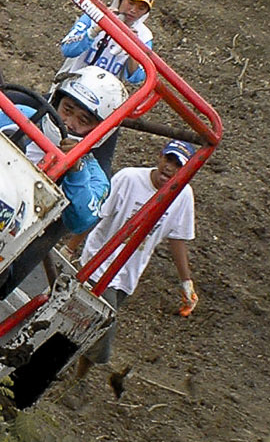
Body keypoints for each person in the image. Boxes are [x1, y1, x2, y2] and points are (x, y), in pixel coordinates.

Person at [0, 67, 124, 299]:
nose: (69, 123)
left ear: (98, 131)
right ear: (57, 101)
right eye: (67, 110)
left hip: (4, 248)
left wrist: (75, 170)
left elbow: (81, 221)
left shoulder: (93, 176)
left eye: (83, 120)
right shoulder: (18, 115)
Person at [71, 140, 198, 383]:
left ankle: (76, 375)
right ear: (159, 156)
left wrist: (186, 282)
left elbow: (177, 238)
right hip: (98, 264)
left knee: (87, 324)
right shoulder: (129, 179)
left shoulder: (183, 197)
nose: (169, 168)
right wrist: (70, 248)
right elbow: (97, 213)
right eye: (168, 159)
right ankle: (80, 379)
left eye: (178, 165)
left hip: (128, 274)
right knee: (102, 323)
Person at [57, 0, 156, 170]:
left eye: (141, 8)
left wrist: (133, 48)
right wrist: (96, 28)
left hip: (101, 108)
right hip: (68, 91)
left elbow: (137, 77)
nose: (133, 11)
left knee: (101, 165)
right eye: (131, 2)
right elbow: (67, 49)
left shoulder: (144, 36)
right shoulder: (94, 13)